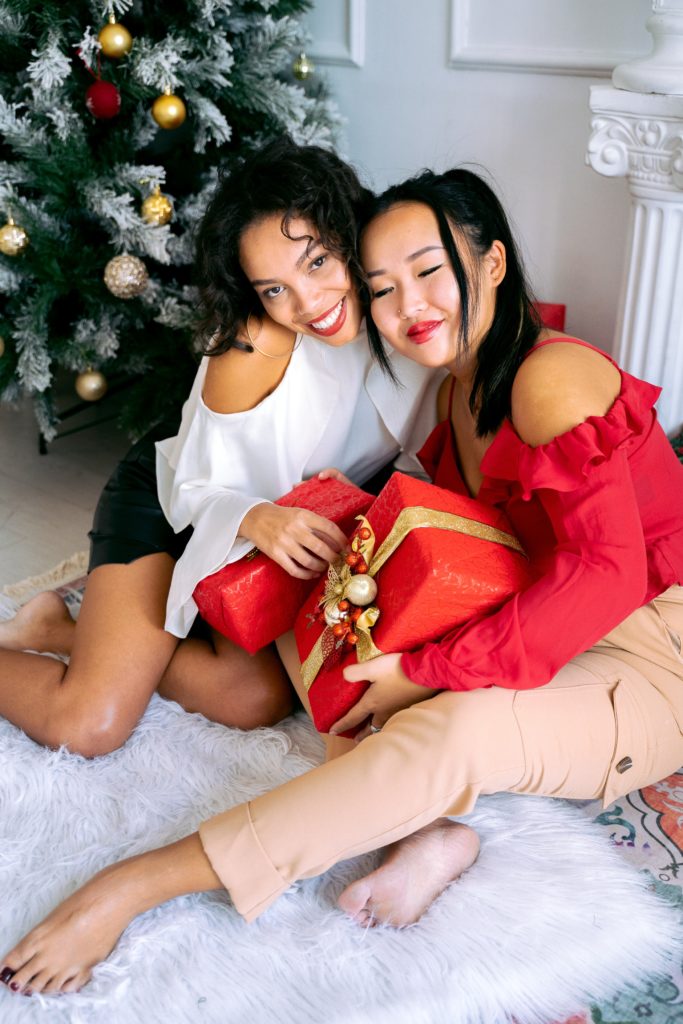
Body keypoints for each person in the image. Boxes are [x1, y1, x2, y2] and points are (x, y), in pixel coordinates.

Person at [4, 165, 683, 998]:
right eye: (383, 286)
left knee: (382, 705)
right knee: (273, 622)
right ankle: (80, 643)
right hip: (196, 507)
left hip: (646, 646)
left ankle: (145, 874)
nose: (404, 307)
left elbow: (597, 574)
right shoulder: (402, 375)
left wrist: (428, 667)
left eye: (428, 272)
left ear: (492, 263)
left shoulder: (516, 373)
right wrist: (287, 537)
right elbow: (202, 487)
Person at [0, 139, 438, 756]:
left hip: (277, 541)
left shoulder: (414, 317)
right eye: (274, 289)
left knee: (250, 698)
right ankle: (76, 640)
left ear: (349, 231)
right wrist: (258, 516)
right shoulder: (253, 344)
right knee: (88, 724)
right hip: (178, 506)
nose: (308, 305)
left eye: (315, 263)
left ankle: (60, 630)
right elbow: (194, 487)